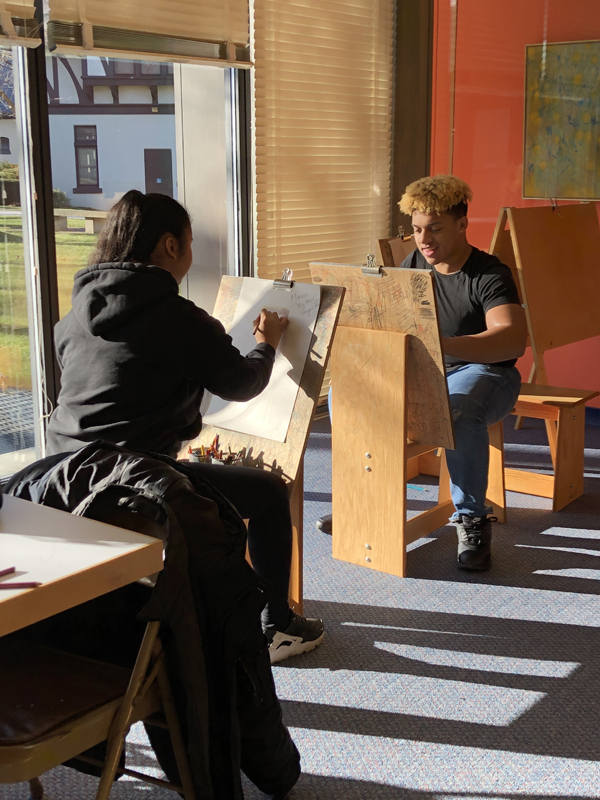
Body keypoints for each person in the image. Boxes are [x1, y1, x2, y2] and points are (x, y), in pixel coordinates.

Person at [46, 189, 324, 662]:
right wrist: (267, 342)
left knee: (208, 478)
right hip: (130, 479)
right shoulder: (174, 315)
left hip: (60, 474)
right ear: (170, 246)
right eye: (190, 244)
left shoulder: (72, 318)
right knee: (269, 492)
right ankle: (278, 626)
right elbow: (240, 383)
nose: (190, 256)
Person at [398, 174, 526, 569]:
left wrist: (443, 343)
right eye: (418, 229)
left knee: (459, 409)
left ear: (462, 225)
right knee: (345, 394)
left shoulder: (489, 273)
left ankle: (472, 518)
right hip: (433, 372)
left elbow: (510, 341)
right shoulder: (416, 263)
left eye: (435, 228)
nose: (425, 239)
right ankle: (363, 505)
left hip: (489, 374)